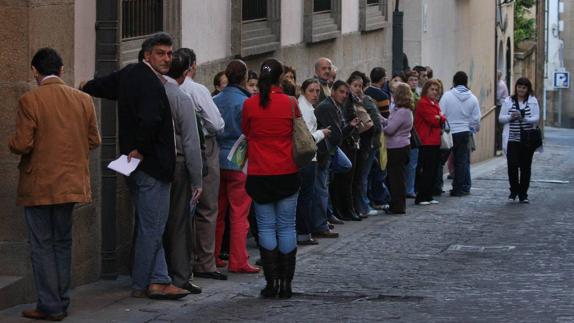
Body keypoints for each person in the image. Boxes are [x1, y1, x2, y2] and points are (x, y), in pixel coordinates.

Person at [82, 33, 190, 299]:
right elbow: (151, 121)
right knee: (153, 227)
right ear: (147, 55)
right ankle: (144, 283)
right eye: (161, 53)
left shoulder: (131, 73)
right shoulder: (151, 83)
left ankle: (159, 278)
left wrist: (85, 86)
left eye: (169, 53)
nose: (167, 58)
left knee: (150, 223)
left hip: (138, 166)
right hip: (151, 166)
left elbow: (104, 86)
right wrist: (139, 149)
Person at [9, 48, 101, 321]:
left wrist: (10, 142)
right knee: (62, 242)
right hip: (71, 182)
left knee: (41, 244)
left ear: (35, 71)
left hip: (39, 183)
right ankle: (60, 299)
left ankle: (49, 304)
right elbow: (94, 140)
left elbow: (23, 143)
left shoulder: (30, 100)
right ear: (61, 70)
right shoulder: (83, 99)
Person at [242, 59, 301, 299]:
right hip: (286, 170)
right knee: (287, 226)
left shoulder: (249, 104)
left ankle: (272, 282)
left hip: (259, 172)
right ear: (280, 79)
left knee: (266, 227)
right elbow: (299, 131)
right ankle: (286, 283)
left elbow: (246, 131)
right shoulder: (290, 103)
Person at [177, 48, 227, 280]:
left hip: (175, 150)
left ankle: (181, 261)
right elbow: (216, 124)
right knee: (206, 206)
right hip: (203, 146)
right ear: (192, 66)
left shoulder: (167, 88)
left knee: (178, 208)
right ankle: (204, 262)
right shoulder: (196, 90)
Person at [162, 51, 204, 294]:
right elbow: (190, 141)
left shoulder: (153, 92)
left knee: (151, 223)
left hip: (150, 165)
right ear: (185, 72)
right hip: (178, 165)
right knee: (179, 223)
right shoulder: (179, 97)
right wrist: (197, 179)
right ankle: (179, 275)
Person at [213, 60, 260, 273]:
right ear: (243, 78)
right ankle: (238, 259)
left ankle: (212, 256)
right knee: (239, 213)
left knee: (217, 211)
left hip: (216, 159)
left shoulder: (215, 99)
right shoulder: (248, 102)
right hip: (239, 161)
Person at [313, 81, 357, 235]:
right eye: (341, 92)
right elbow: (336, 134)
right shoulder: (327, 107)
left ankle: (323, 218)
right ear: (333, 91)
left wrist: (350, 126)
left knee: (344, 166)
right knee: (321, 189)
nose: (344, 95)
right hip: (325, 151)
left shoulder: (337, 107)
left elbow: (339, 133)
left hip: (332, 150)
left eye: (346, 93)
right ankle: (320, 225)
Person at [297, 79, 331, 245]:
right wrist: (322, 133)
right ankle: (303, 232)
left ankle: (304, 231)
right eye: (311, 91)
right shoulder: (305, 110)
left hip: (307, 158)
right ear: (303, 91)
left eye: (318, 91)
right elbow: (307, 139)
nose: (316, 94)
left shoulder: (307, 106)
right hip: (307, 158)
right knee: (306, 197)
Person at [499, 77, 540, 203]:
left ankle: (523, 194)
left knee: (525, 167)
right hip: (512, 139)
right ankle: (513, 191)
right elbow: (501, 118)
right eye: (519, 87)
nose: (521, 89)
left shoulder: (532, 101)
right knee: (512, 165)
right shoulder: (508, 101)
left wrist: (525, 118)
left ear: (528, 89)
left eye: (524, 87)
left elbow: (536, 118)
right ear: (516, 87)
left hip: (527, 140)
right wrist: (511, 117)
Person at [439, 71, 481, 196]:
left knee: (441, 161)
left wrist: (444, 127)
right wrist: (472, 128)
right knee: (461, 161)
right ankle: (458, 189)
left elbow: (441, 113)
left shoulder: (447, 96)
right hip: (464, 132)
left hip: (449, 132)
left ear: (454, 81)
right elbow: (476, 119)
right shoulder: (473, 98)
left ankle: (436, 186)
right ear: (466, 82)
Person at [382, 82, 414, 214]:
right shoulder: (402, 110)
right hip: (401, 147)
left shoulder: (402, 112)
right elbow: (390, 122)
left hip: (397, 148)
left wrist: (380, 127)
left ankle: (398, 206)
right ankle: (396, 205)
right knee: (397, 178)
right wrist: (380, 118)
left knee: (396, 179)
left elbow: (390, 129)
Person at [414, 79, 445, 205]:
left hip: (434, 140)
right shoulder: (423, 103)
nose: (434, 92)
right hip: (426, 141)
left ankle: (428, 195)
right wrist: (439, 118)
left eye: (436, 90)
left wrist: (440, 118)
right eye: (432, 89)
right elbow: (433, 120)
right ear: (426, 90)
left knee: (432, 170)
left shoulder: (434, 103)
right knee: (426, 170)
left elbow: (442, 117)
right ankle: (421, 196)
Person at [405, 70, 420, 199]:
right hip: (408, 132)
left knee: (413, 164)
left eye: (416, 80)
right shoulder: (407, 97)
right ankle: (408, 188)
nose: (414, 82)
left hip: (415, 132)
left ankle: (410, 188)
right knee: (409, 163)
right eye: (411, 80)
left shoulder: (418, 96)